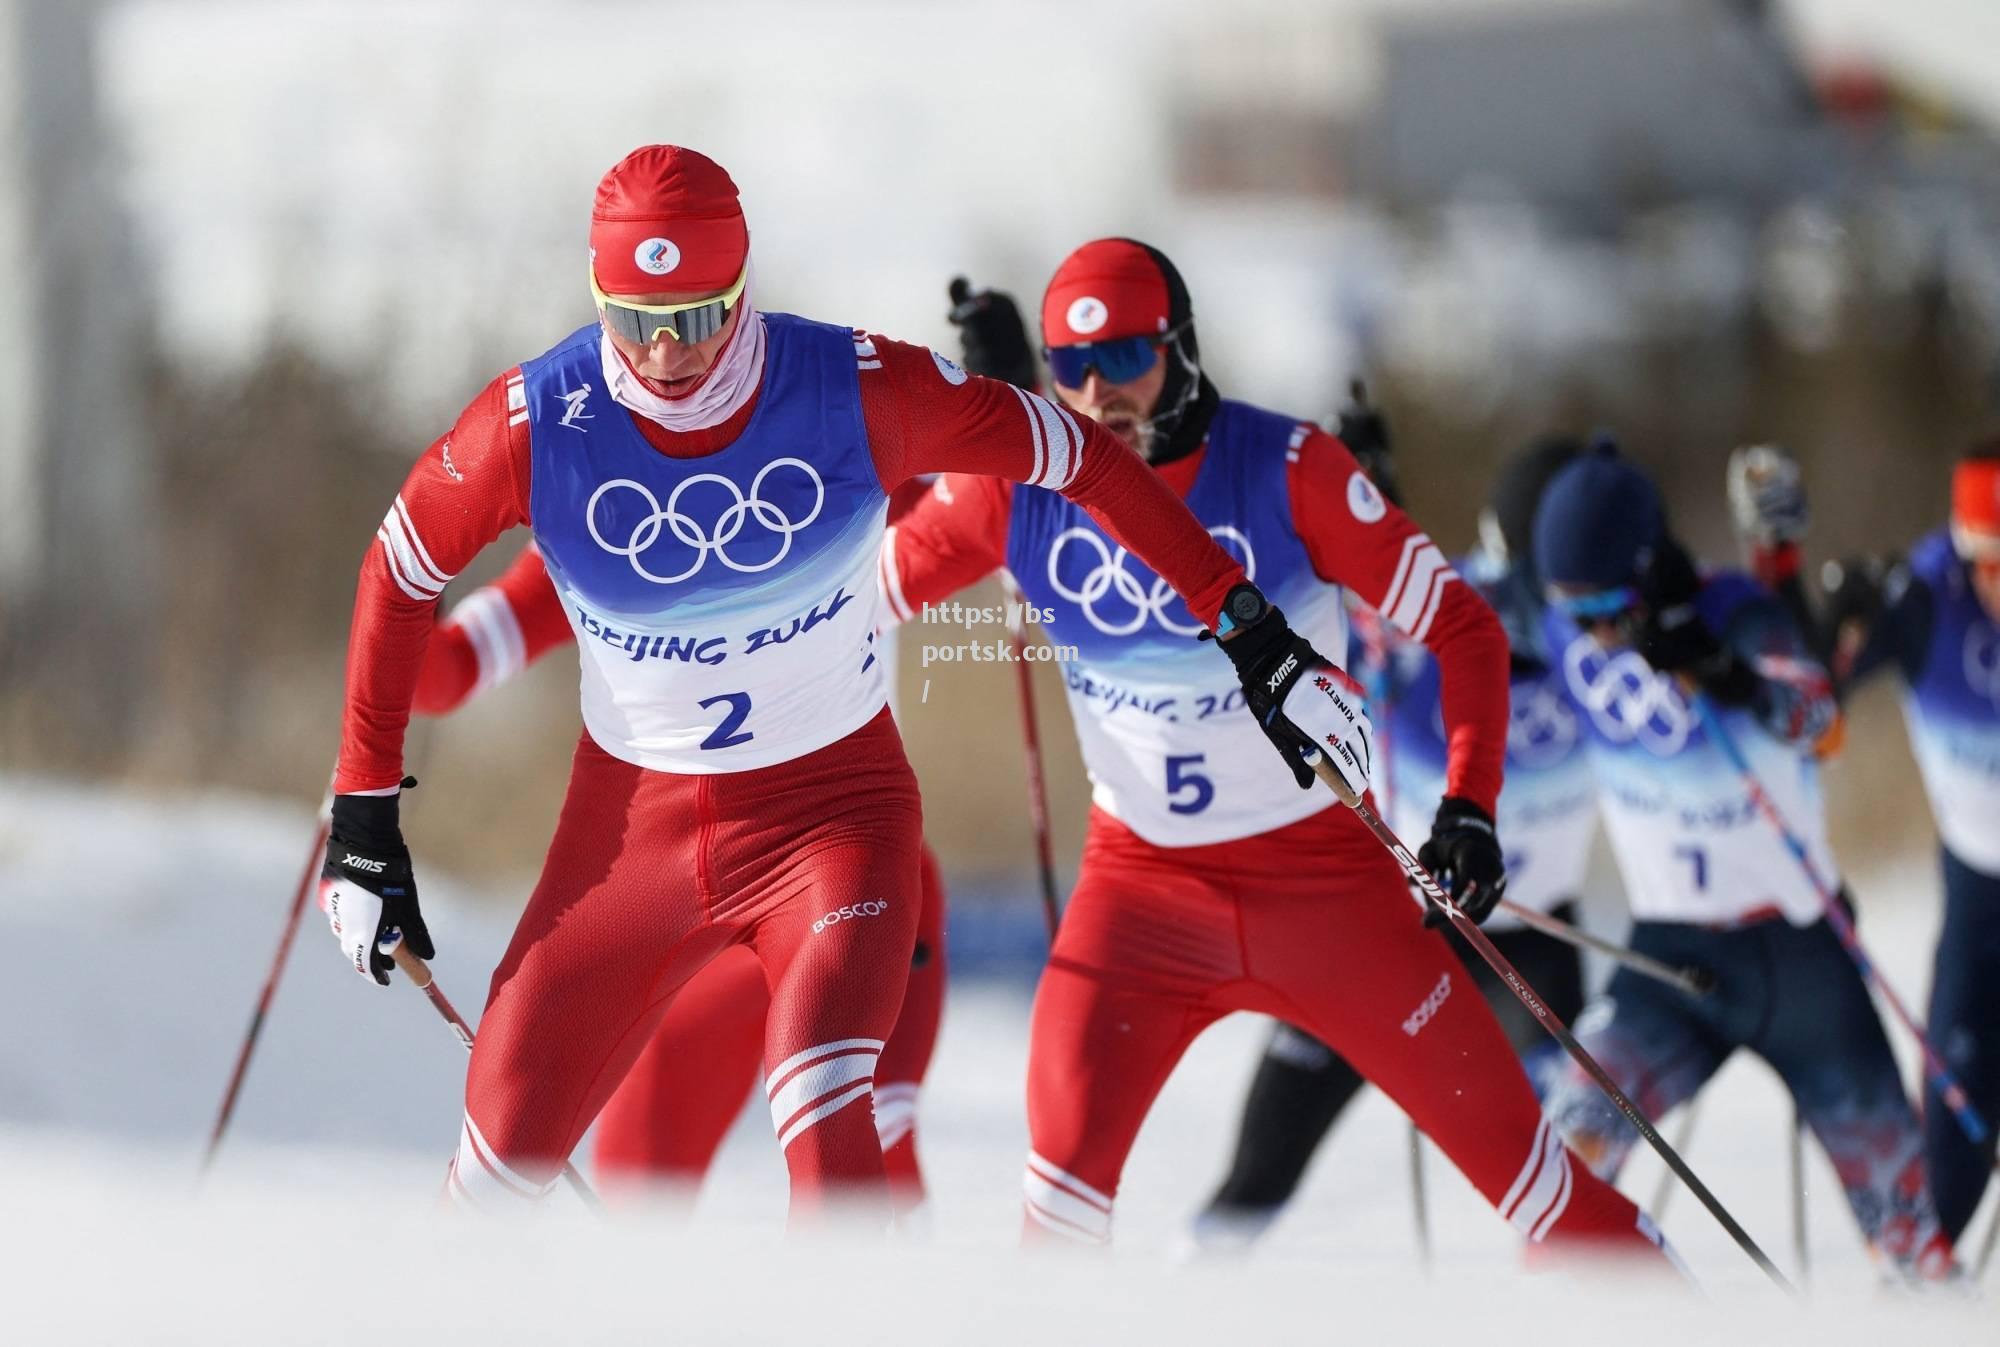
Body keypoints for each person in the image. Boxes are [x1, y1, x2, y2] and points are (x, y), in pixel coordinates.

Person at [318, 148, 1347, 1218]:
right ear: (598, 296)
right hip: (628, 843)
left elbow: (1075, 461)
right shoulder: (543, 436)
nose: (667, 354)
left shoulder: (854, 392)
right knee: (497, 1159)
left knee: (822, 1093)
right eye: (634, 319)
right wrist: (362, 806)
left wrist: (1249, 629)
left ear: (743, 285)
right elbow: (399, 581)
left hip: (831, 821)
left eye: (699, 315)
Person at [886, 241, 1669, 1259]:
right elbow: (848, 587)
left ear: (1180, 348)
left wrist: (1467, 808)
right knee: (1056, 1214)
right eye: (1068, 367)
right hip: (1139, 900)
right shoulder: (1017, 488)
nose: (1096, 391)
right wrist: (974, 426)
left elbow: (1464, 628)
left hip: (1327, 892)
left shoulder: (1289, 470)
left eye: (1125, 357)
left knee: (1542, 1202)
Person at [410, 531, 946, 1214]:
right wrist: (404, 602)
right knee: (641, 1199)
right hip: (686, 909)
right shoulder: (601, 518)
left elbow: (1009, 506)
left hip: (843, 876)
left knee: (865, 1161)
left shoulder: (840, 448)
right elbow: (446, 672)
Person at [1534, 444, 1954, 1280]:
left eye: (1611, 606)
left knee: (1909, 1238)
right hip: (1670, 962)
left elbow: (1821, 723)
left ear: (1651, 570)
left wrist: (1733, 676)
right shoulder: (1564, 630)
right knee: (1559, 1171)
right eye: (1574, 611)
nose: (1596, 632)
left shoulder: (1740, 614)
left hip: (1799, 965)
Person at [1193, 435, 1600, 1249]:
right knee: (1257, 1176)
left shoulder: (1609, 640)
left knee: (1570, 1198)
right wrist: (1363, 519)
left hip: (1532, 951)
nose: (1566, 614)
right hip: (1388, 934)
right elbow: (1324, 627)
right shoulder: (1442, 620)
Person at [1734, 441, 2000, 1248]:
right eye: (1990, 562)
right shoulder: (1927, 597)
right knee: (1955, 1133)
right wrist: (1789, 578)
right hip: (1980, 897)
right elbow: (1805, 697)